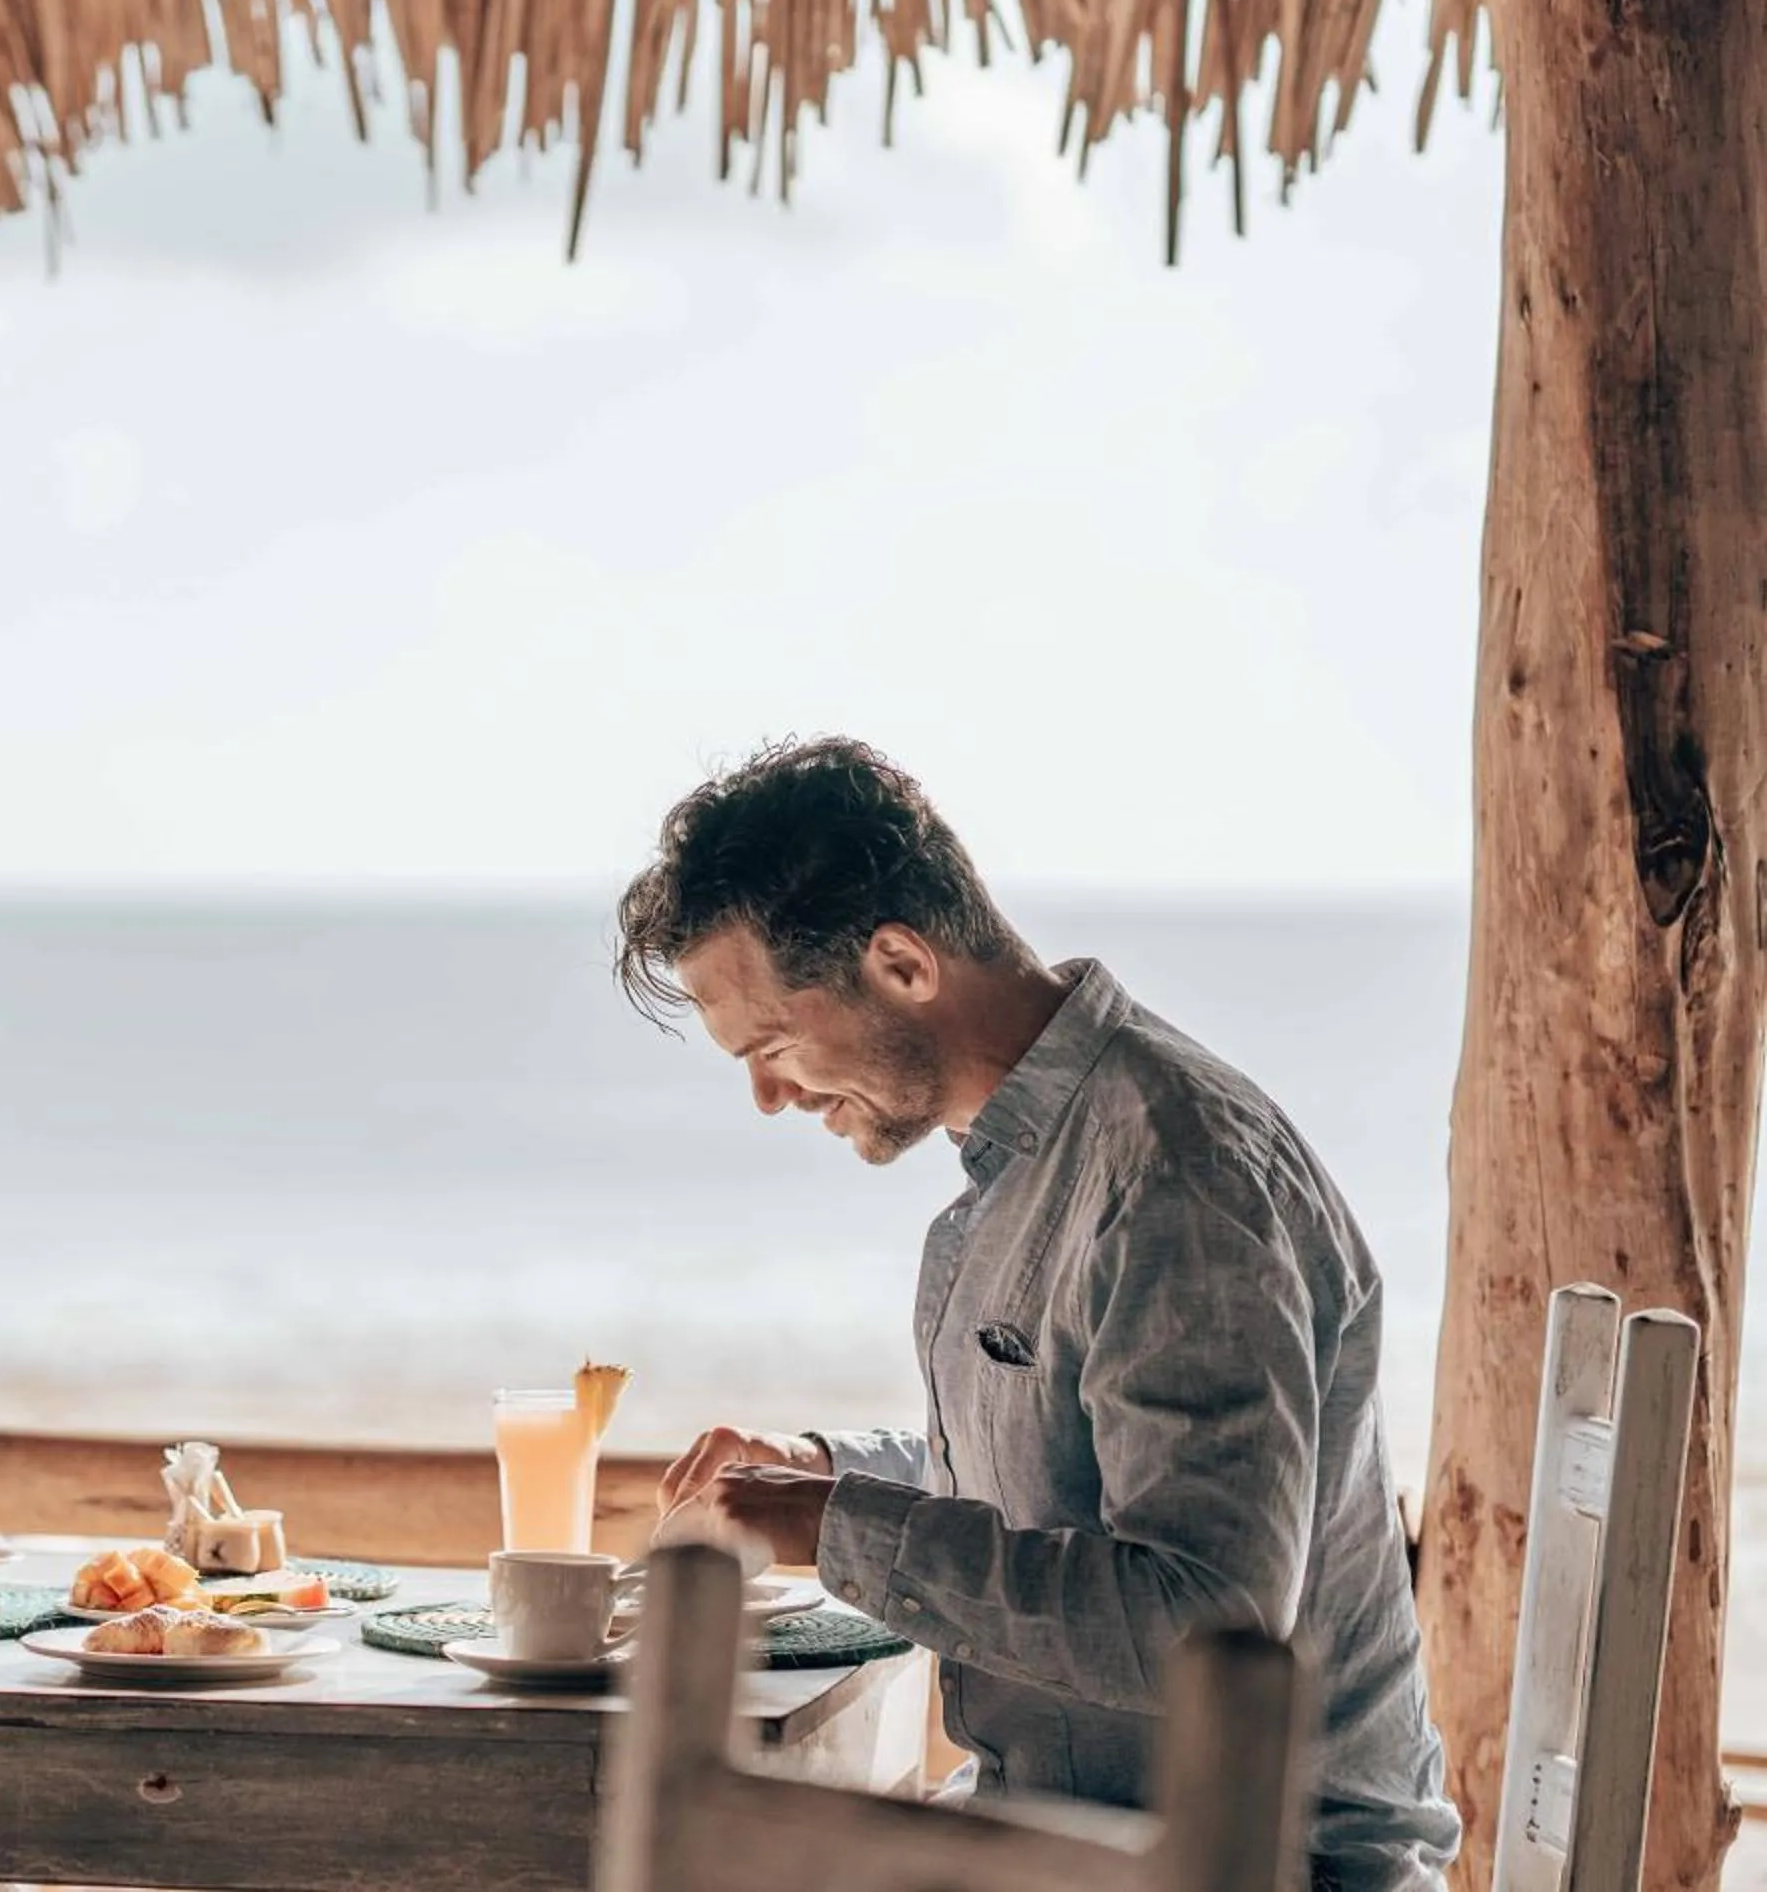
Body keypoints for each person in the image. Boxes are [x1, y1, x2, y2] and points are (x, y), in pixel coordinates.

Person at [616, 737, 1458, 1892]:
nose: (767, 1097)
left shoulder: (1176, 1170)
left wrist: (839, 1526)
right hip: (1070, 1831)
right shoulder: (1037, 1159)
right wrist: (822, 1469)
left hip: (1256, 1864)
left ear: (903, 963)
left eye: (772, 1044)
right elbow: (1064, 1488)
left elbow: (1208, 1622)